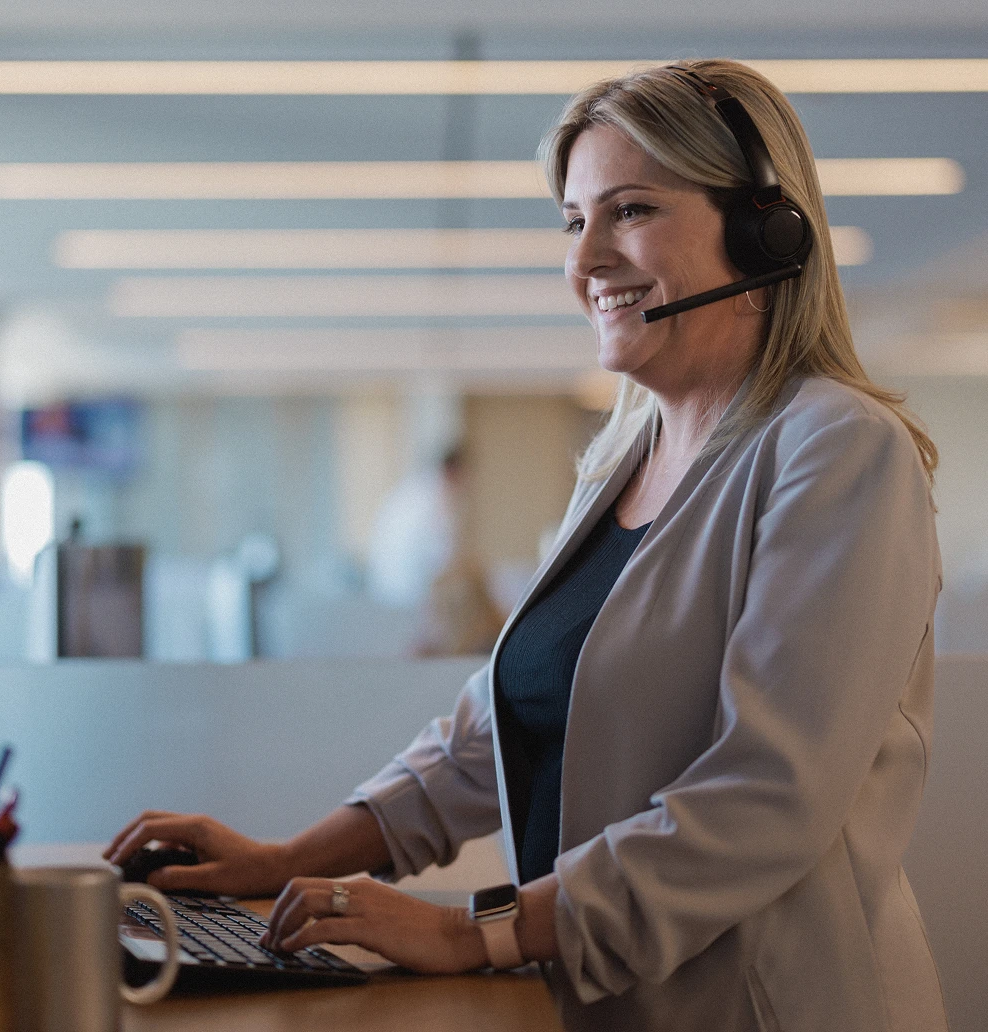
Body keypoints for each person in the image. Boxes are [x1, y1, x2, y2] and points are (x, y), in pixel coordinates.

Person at [105, 59, 947, 1032]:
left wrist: (475, 930)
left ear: (767, 230)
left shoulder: (838, 451)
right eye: (573, 222)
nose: (585, 261)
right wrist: (288, 859)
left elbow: (765, 799)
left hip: (762, 1007)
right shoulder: (623, 458)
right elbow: (489, 736)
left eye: (629, 210)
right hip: (599, 1001)